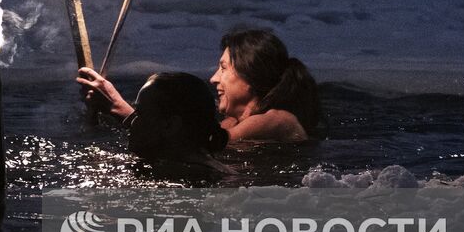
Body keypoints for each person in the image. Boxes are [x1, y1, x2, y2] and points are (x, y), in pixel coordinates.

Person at [77, 28, 324, 143]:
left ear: (251, 77)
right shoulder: (230, 123)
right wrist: (104, 109)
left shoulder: (276, 120)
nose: (214, 78)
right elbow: (178, 136)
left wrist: (123, 111)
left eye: (224, 68)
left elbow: (198, 146)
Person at [123, 71, 233, 175]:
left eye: (139, 113)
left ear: (170, 125)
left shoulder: (169, 174)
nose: (126, 122)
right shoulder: (218, 172)